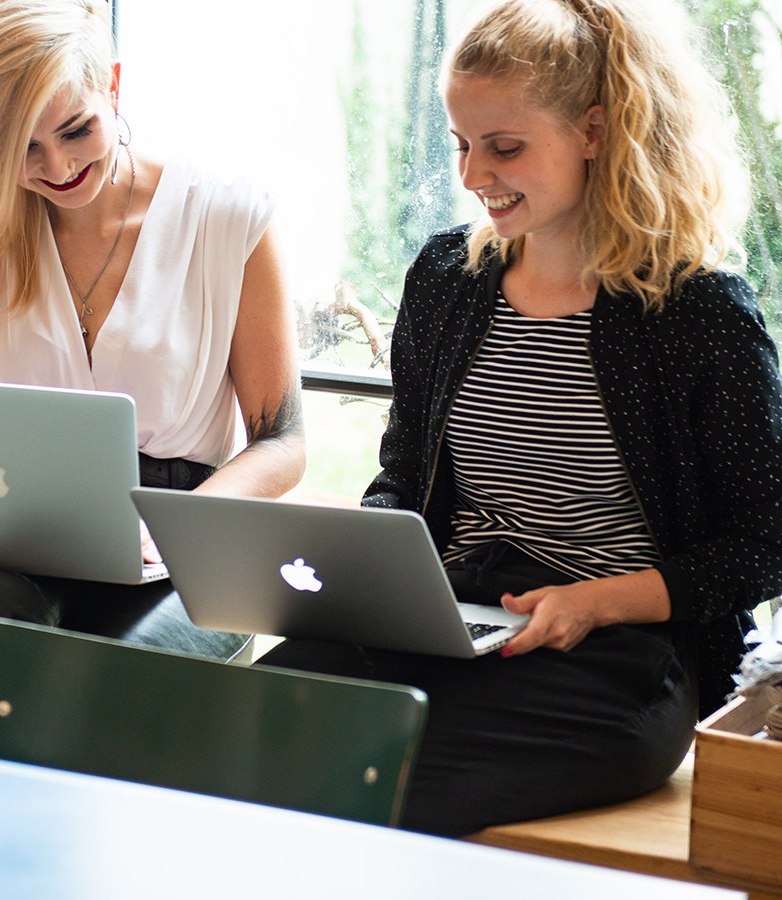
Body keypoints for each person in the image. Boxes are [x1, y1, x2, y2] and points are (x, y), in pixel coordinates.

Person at [258, 0, 782, 837]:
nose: (472, 174)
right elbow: (404, 476)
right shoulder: (447, 281)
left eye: (504, 148)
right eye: (462, 144)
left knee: (375, 778)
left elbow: (767, 543)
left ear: (595, 131)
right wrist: (371, 559)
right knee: (231, 727)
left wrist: (599, 603)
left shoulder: (698, 314)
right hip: (449, 615)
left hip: (614, 655)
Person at [0, 0, 307, 747]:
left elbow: (282, 441)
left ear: (113, 86)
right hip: (20, 535)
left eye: (76, 130)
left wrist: (176, 528)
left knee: (105, 683)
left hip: (189, 538)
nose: (58, 169)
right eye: (22, 149)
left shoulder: (227, 218)